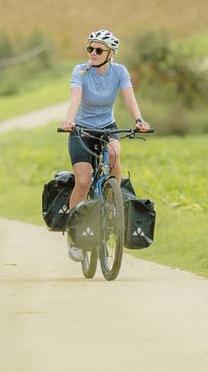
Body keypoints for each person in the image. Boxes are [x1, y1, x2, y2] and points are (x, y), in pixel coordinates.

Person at [58, 29, 152, 261]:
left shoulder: (119, 72)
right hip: (81, 128)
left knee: (114, 154)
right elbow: (75, 98)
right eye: (90, 48)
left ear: (111, 53)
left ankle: (114, 200)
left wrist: (139, 120)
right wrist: (69, 119)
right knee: (82, 181)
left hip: (107, 125)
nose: (93, 53)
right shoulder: (80, 71)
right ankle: (74, 236)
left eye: (99, 50)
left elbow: (129, 97)